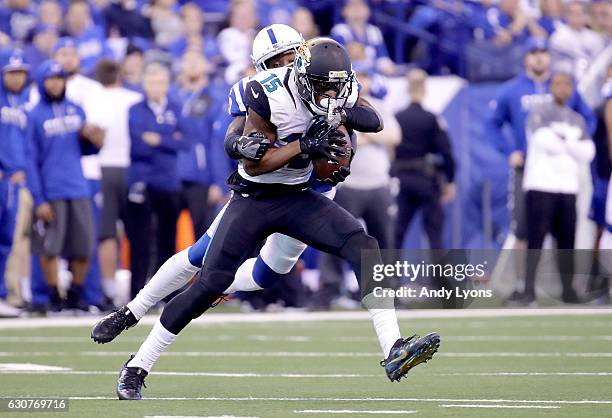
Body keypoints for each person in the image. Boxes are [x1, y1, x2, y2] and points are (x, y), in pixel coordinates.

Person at [111, 38, 440, 400]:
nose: (331, 94)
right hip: (257, 197)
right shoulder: (269, 94)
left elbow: (373, 120)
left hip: (300, 197)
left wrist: (342, 115)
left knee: (363, 245)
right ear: (298, 76)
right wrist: (303, 146)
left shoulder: (337, 87)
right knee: (207, 285)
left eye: (337, 87)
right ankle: (137, 366)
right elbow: (255, 163)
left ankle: (393, 347)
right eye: (323, 87)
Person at [91, 24, 339, 340]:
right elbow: (232, 137)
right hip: (263, 190)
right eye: (276, 61)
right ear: (262, 66)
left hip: (309, 192)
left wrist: (339, 156)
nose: (285, 67)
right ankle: (132, 311)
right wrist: (238, 146)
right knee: (198, 254)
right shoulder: (254, 90)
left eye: (290, 58)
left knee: (268, 273)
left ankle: (228, 285)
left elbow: (367, 120)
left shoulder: (329, 80)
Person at [487, 38, 595, 301]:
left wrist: (575, 144)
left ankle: (565, 289)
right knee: (524, 229)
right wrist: (508, 150)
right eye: (533, 52)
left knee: (565, 233)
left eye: (543, 53)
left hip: (563, 175)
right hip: (530, 170)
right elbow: (492, 124)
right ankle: (524, 285)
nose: (539, 58)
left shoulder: (564, 89)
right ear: (526, 58)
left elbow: (587, 122)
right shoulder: (511, 90)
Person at [314, 70, 400, 309]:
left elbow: (393, 135)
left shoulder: (378, 106)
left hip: (377, 183)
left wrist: (366, 135)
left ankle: (385, 290)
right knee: (332, 238)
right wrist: (368, 135)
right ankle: (329, 289)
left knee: (384, 241)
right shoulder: (332, 108)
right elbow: (343, 142)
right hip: (348, 184)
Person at [27, 60, 104, 312]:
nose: (55, 83)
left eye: (59, 78)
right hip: (51, 189)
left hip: (78, 186)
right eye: (50, 79)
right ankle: (53, 298)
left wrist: (94, 140)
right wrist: (39, 199)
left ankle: (74, 296)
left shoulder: (76, 109)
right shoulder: (34, 115)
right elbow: (31, 160)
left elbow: (86, 150)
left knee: (83, 247)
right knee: (50, 248)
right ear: (41, 82)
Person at [518, 71, 595, 305]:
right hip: (541, 186)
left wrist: (565, 140)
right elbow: (544, 142)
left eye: (567, 84)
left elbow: (587, 152)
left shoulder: (576, 119)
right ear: (551, 87)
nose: (562, 88)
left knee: (566, 243)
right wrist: (571, 143)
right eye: (558, 84)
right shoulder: (539, 112)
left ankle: (568, 291)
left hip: (567, 188)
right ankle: (529, 290)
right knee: (535, 241)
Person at [125, 62, 189, 299]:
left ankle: (167, 293)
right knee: (140, 241)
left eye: (161, 82)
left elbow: (185, 141)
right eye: (152, 82)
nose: (156, 86)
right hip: (142, 181)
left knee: (167, 240)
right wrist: (168, 138)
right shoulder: (135, 109)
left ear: (167, 84)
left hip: (169, 182)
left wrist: (158, 139)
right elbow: (139, 143)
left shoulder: (176, 107)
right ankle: (136, 294)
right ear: (144, 84)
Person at [92, 59, 142, 308]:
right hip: (131, 167)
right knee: (137, 233)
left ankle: (109, 289)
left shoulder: (91, 97)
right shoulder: (133, 98)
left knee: (107, 233)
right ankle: (139, 288)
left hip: (102, 168)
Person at [394, 69, 456, 249]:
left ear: (407, 89)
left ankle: (390, 276)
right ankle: (438, 276)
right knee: (434, 233)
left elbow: (391, 149)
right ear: (424, 89)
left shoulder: (398, 118)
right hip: (426, 180)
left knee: (398, 231)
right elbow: (446, 151)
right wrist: (450, 180)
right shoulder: (431, 119)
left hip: (402, 180)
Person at [0, 49, 30, 317]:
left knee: (6, 240)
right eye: (12, 72)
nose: (17, 77)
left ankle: (1, 294)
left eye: (21, 72)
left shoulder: (23, 104)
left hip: (14, 181)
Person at [330, 0, 395, 76]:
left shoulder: (374, 31)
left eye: (361, 5)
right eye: (352, 5)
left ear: (368, 10)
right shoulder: (340, 30)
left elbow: (382, 57)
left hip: (372, 74)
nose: (357, 9)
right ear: (344, 10)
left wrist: (387, 66)